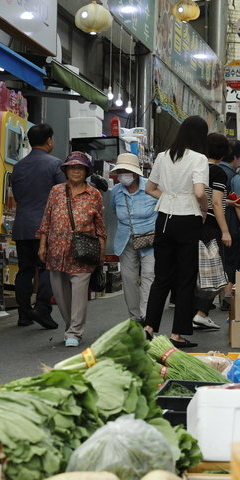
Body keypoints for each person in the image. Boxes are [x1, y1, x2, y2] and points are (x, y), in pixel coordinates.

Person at [144, 115, 210, 349]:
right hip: (188, 219)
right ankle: (177, 334)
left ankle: (149, 327)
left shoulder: (163, 156)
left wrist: (169, 198)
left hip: (164, 219)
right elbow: (200, 192)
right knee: (185, 279)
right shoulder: (199, 158)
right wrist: (203, 210)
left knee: (162, 277)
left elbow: (149, 188)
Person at [38, 151, 106, 348]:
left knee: (78, 293)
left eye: (80, 168)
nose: (76, 171)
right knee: (60, 295)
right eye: (72, 167)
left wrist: (101, 253)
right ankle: (70, 325)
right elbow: (46, 219)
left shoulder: (94, 194)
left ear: (86, 172)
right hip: (56, 251)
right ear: (66, 170)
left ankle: (75, 331)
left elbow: (101, 226)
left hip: (82, 251)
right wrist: (42, 244)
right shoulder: (56, 191)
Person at [11, 123, 63, 330]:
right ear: (49, 140)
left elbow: (17, 195)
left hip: (22, 224)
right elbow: (61, 195)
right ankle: (42, 308)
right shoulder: (55, 164)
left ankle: (24, 314)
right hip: (45, 227)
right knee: (48, 268)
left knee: (24, 270)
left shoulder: (18, 166)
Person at [193, 134, 240, 331]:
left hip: (191, 222)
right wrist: (225, 231)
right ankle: (201, 314)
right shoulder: (218, 172)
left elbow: (208, 197)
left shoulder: (196, 167)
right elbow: (214, 203)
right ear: (223, 154)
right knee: (214, 272)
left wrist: (228, 202)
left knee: (194, 270)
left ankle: (193, 313)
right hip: (210, 226)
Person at [108, 152, 157, 324]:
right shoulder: (116, 192)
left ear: (136, 172)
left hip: (150, 240)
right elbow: (115, 212)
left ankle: (146, 316)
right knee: (128, 279)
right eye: (120, 171)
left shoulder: (151, 188)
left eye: (126, 171)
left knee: (149, 275)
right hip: (126, 240)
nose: (123, 174)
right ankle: (135, 317)